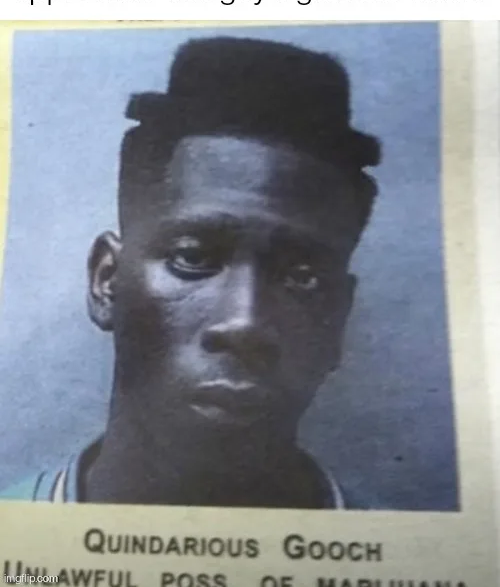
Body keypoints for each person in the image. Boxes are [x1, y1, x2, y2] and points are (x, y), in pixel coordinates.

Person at [1, 36, 381, 508]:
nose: (244, 323)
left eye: (301, 276)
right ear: (106, 281)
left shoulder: (409, 551)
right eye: (192, 258)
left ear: (339, 319)